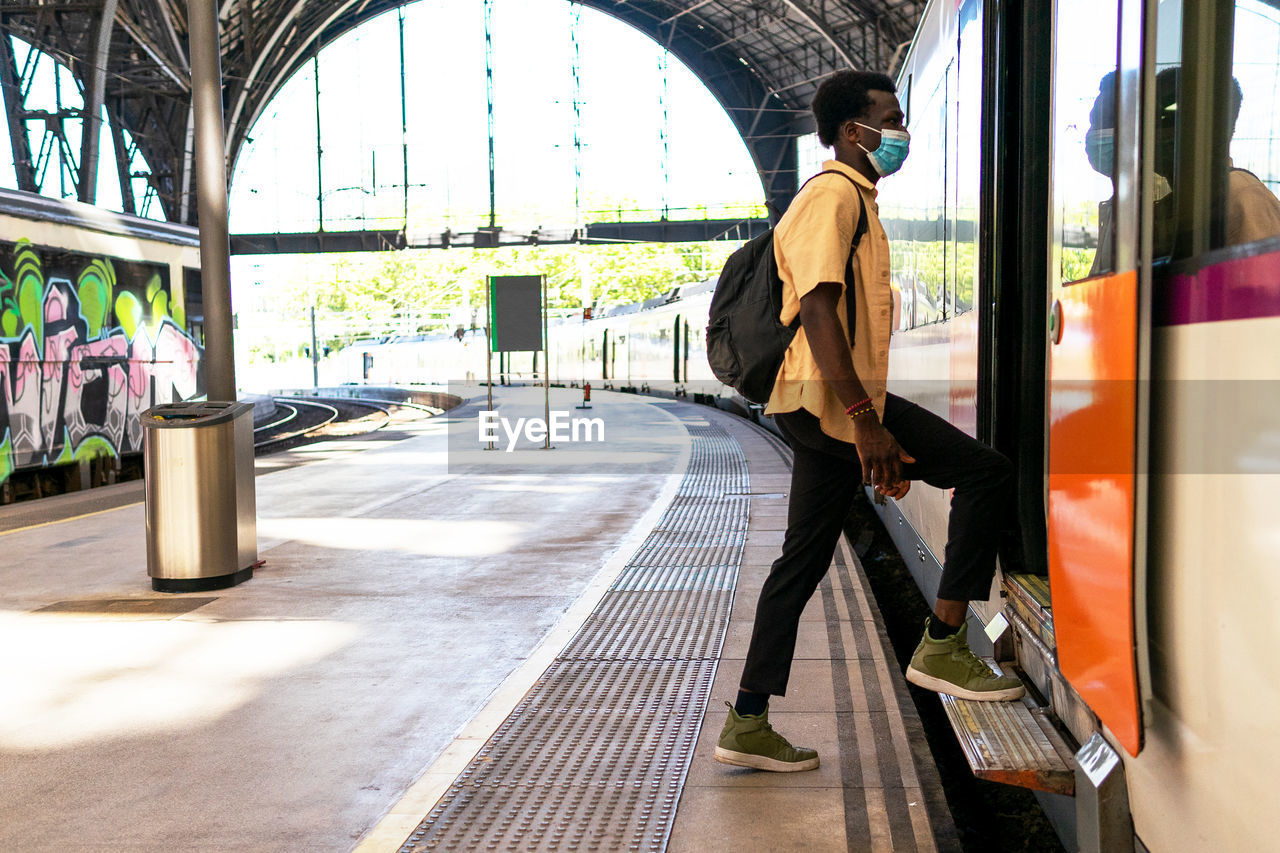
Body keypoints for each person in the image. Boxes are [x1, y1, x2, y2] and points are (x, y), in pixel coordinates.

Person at [714, 70, 1024, 774]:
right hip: (828, 402)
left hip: (814, 404)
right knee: (984, 472)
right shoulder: (831, 197)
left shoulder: (852, 198)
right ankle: (942, 644)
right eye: (889, 118)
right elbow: (819, 312)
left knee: (802, 557)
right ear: (853, 132)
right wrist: (867, 424)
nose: (899, 131)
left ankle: (749, 717)